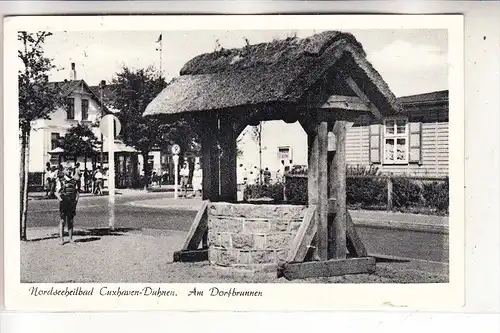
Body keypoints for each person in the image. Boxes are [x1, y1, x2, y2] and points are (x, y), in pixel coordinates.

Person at [55, 167, 79, 245]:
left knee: (70, 220)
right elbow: (56, 192)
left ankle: (71, 239)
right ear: (64, 171)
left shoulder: (74, 181)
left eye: (70, 170)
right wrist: (61, 199)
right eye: (67, 169)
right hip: (64, 201)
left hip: (71, 202)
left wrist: (76, 201)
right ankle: (61, 239)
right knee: (62, 220)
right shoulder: (61, 181)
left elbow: (77, 193)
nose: (69, 171)